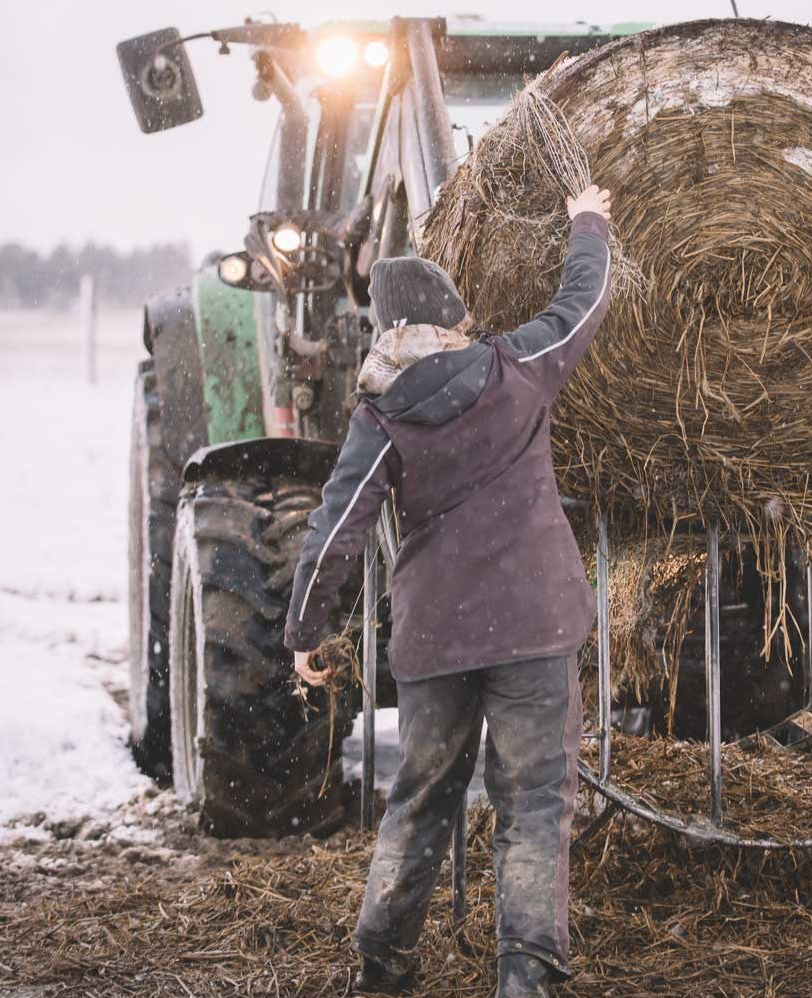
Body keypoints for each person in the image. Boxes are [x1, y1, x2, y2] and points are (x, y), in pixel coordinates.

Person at [284, 184, 612, 998]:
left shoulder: (380, 414)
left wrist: (304, 631)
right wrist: (588, 220)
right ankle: (525, 977)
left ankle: (383, 965)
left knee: (419, 800)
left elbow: (336, 530)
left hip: (437, 639)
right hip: (535, 625)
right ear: (453, 316)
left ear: (391, 334)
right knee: (535, 802)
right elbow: (584, 301)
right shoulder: (514, 367)